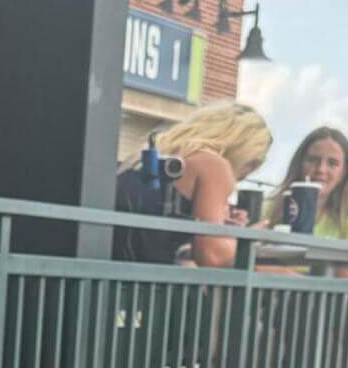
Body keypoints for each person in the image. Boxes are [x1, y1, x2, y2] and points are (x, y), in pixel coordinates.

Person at [114, 102, 274, 268]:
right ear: (244, 151)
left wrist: (221, 225)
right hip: (150, 286)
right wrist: (246, 239)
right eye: (251, 164)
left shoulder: (148, 159)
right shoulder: (213, 166)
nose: (241, 177)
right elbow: (213, 258)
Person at [265, 126, 348, 242]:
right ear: (299, 164)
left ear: (344, 172)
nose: (321, 169)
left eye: (332, 163)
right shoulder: (266, 210)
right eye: (313, 160)